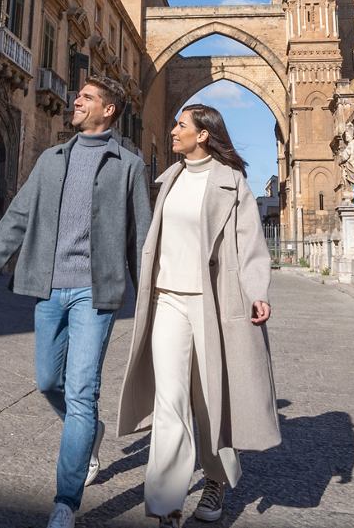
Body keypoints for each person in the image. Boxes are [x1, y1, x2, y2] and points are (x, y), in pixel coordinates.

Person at [0, 76, 151, 528]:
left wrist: (149, 290)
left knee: (82, 390)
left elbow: (141, 234)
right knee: (48, 381)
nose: (77, 101)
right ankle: (89, 432)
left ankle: (65, 502)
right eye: (79, 96)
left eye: (87, 98)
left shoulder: (129, 165)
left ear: (108, 110)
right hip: (49, 286)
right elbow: (19, 213)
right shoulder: (50, 159)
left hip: (96, 290)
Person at [117, 104, 281, 526]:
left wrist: (257, 291)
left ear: (203, 134)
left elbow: (250, 246)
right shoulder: (168, 179)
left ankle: (215, 478)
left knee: (211, 397)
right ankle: (165, 505)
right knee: (169, 400)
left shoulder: (232, 184)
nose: (172, 131)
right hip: (168, 297)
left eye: (180, 125)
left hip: (213, 300)